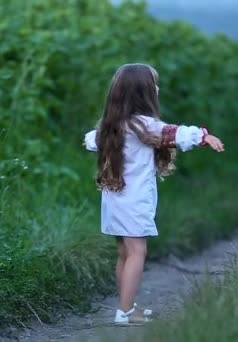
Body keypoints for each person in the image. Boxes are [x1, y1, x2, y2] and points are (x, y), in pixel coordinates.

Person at [83, 63, 224, 325]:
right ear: (143, 93)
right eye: (154, 85)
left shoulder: (113, 125)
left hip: (114, 199)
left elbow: (91, 140)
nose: (157, 89)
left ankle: (128, 306)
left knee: (125, 254)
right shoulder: (144, 125)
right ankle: (123, 312)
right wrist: (202, 136)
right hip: (134, 201)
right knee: (138, 252)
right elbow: (174, 134)